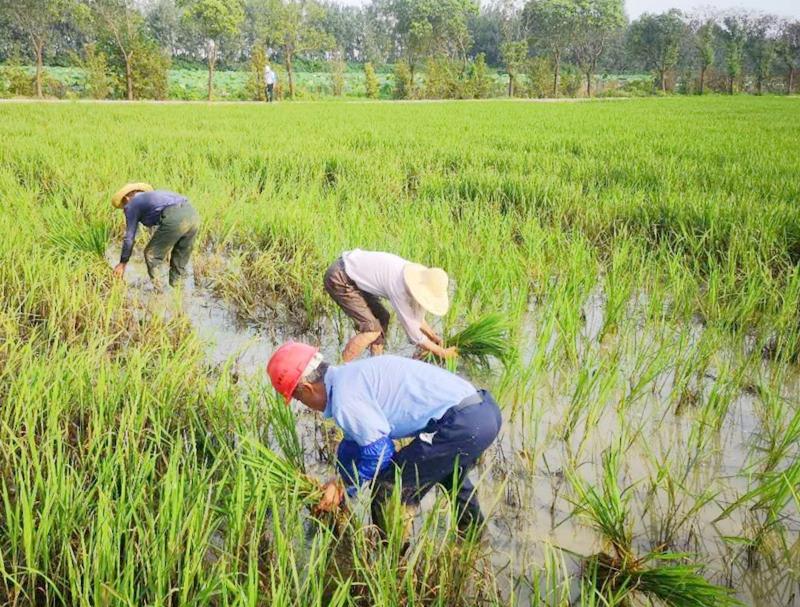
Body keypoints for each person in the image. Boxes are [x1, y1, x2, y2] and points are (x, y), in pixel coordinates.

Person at [266, 341, 502, 538]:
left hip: (461, 423)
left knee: (388, 486)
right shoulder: (348, 377)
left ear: (307, 388)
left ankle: (391, 561)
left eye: (297, 399)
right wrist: (338, 480)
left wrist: (344, 486)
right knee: (450, 474)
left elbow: (380, 453)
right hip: (482, 412)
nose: (303, 405)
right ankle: (472, 538)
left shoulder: (346, 401)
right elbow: (352, 446)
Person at [324, 249, 457, 362]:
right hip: (340, 277)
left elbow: (417, 320)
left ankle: (375, 363)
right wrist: (441, 352)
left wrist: (434, 337)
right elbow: (414, 334)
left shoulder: (416, 278)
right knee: (372, 330)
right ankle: (337, 373)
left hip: (352, 275)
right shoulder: (400, 287)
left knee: (383, 318)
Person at [111, 183, 200, 289]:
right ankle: (179, 293)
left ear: (126, 198)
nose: (125, 208)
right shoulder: (155, 196)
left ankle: (161, 292)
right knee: (180, 257)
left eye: (124, 204)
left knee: (151, 254)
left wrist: (122, 263)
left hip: (175, 218)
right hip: (193, 215)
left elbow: (129, 238)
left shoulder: (131, 204)